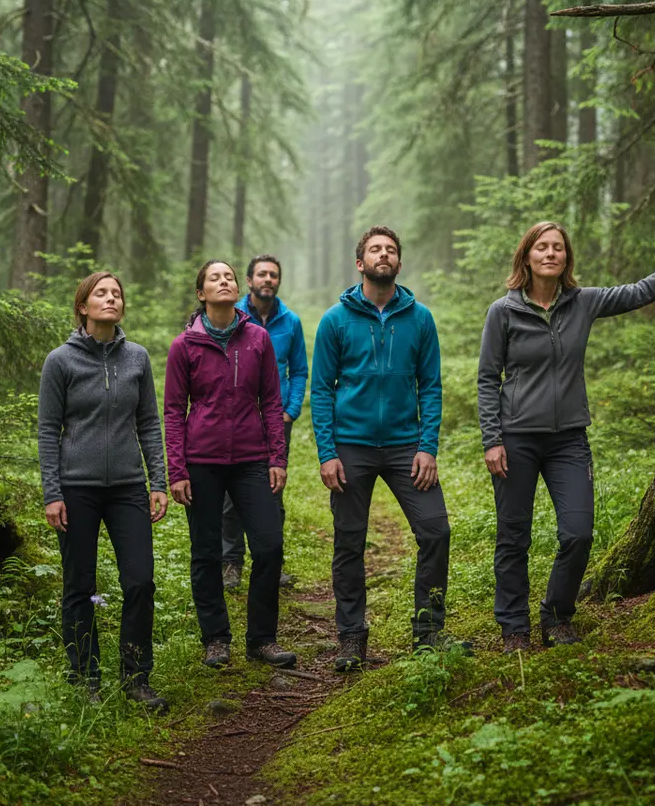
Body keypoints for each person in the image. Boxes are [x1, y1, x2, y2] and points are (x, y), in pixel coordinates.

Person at [478, 210, 655, 651]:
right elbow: (488, 378)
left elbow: (640, 291)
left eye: (557, 247)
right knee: (513, 536)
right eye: (541, 246)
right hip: (517, 439)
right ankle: (513, 628)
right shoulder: (502, 312)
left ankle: (558, 617)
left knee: (578, 533)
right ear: (526, 255)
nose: (550, 253)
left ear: (566, 258)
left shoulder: (583, 301)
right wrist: (493, 440)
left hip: (568, 440)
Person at [311, 226, 468, 672]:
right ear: (360, 263)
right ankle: (350, 638)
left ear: (399, 263)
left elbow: (431, 386)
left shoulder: (420, 318)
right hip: (351, 446)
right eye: (375, 249)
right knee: (349, 542)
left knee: (435, 531)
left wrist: (427, 446)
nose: (384, 254)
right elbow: (321, 390)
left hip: (405, 446)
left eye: (391, 250)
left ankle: (428, 632)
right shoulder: (334, 320)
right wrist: (327, 452)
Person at [38, 271, 170, 712]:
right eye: (101, 293)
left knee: (141, 581)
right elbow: (47, 431)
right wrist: (52, 492)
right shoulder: (61, 361)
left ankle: (136, 678)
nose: (111, 299)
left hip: (129, 488)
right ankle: (85, 680)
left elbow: (149, 424)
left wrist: (158, 482)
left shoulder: (137, 358)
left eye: (116, 294)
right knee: (79, 585)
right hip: (76, 489)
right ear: (83, 306)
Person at [164, 259, 296, 669]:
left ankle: (262, 639)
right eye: (214, 278)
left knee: (269, 546)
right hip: (201, 460)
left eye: (229, 277)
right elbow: (172, 410)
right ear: (201, 293)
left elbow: (272, 401)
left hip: (252, 459)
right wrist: (177, 469)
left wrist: (277, 456)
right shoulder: (184, 345)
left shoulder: (257, 339)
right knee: (206, 552)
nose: (224, 281)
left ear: (237, 289)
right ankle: (215, 639)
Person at [222, 254, 308, 590]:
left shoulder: (291, 321)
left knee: (273, 491)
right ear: (250, 281)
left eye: (273, 274)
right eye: (262, 274)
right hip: (239, 418)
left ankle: (271, 564)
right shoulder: (234, 316)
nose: (268, 279)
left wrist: (290, 411)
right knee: (231, 496)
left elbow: (299, 369)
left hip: (276, 419)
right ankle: (231, 564)